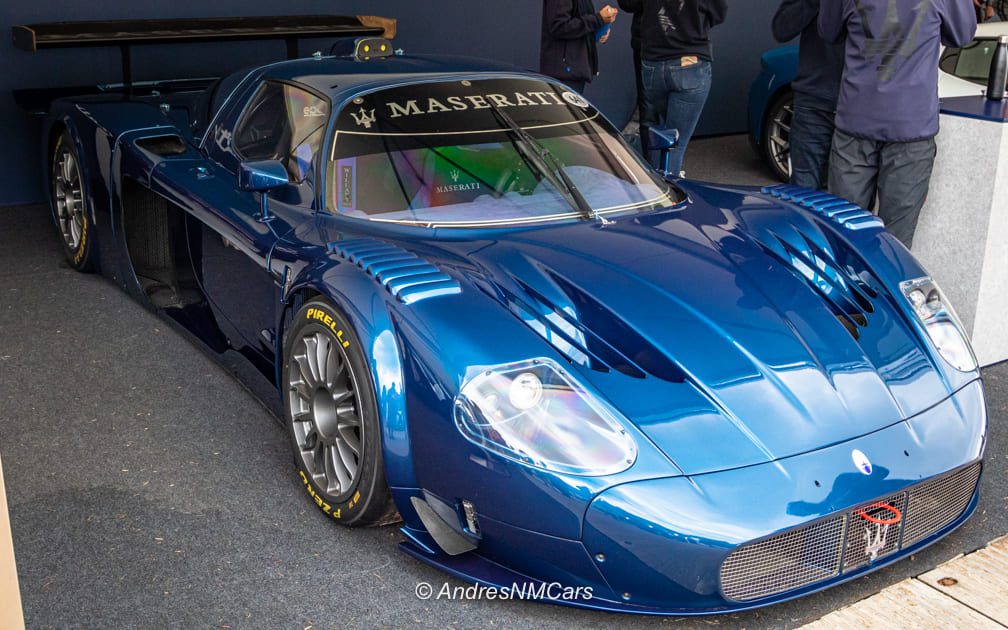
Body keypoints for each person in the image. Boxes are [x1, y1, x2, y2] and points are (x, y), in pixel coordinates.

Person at [819, 0, 976, 247]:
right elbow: (962, 35)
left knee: (843, 235)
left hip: (857, 118)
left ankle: (847, 284)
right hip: (910, 125)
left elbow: (828, 31)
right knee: (895, 243)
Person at [621, 0, 728, 176]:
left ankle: (653, 189)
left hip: (653, 60)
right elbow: (719, 13)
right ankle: (667, 196)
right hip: (689, 60)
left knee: (657, 138)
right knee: (674, 145)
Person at [772, 0, 844, 190]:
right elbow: (780, 29)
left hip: (858, 105)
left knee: (850, 202)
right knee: (803, 195)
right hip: (813, 103)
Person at [540, 1, 619, 93]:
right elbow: (559, 26)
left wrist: (599, 29)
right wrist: (598, 19)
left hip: (574, 71)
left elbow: (579, 25)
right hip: (563, 74)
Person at [618, 1, 648, 155]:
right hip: (644, 43)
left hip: (677, 46)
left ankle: (670, 165)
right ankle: (647, 163)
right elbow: (626, 3)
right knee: (646, 100)